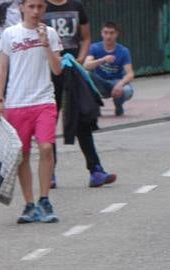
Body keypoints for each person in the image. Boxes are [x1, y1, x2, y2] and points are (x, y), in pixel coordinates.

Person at [0, 0, 62, 224]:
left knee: (45, 147)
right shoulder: (10, 34)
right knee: (22, 155)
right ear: (22, 7)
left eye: (40, 7)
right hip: (17, 103)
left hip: (44, 101)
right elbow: (2, 68)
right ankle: (30, 204)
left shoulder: (50, 33)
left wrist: (45, 45)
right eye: (31, 6)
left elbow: (57, 69)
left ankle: (45, 199)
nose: (35, 11)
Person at [42, 0, 114, 187]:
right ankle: (49, 173)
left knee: (82, 117)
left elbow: (86, 37)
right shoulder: (41, 6)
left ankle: (95, 170)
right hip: (49, 72)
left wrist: (80, 59)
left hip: (73, 70)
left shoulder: (76, 6)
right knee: (49, 120)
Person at [83, 21, 133, 116]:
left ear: (116, 34)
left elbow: (130, 74)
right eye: (105, 33)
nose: (108, 36)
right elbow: (86, 65)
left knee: (127, 90)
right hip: (99, 82)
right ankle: (95, 106)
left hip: (115, 82)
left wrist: (120, 84)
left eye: (111, 33)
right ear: (101, 33)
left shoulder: (123, 51)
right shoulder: (95, 47)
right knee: (85, 73)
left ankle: (118, 106)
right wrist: (102, 60)